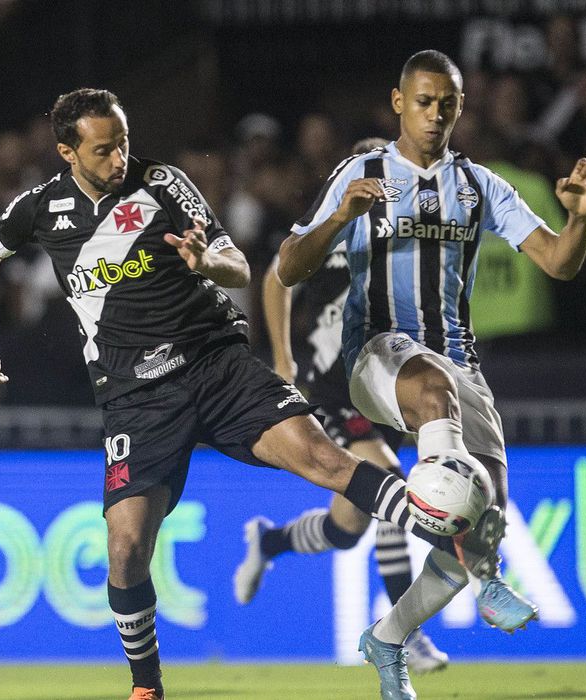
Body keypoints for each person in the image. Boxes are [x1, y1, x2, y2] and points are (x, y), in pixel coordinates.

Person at [0, 88, 510, 700]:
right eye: (103, 149)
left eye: (122, 141)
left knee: (326, 462)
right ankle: (147, 687)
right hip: (135, 397)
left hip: (216, 367)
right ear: (68, 153)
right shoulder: (41, 208)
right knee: (125, 547)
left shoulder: (162, 184)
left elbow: (239, 266)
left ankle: (464, 546)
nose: (120, 156)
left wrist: (204, 262)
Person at [277, 50, 586, 699]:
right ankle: (480, 570)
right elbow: (288, 266)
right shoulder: (363, 171)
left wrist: (582, 216)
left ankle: (389, 639)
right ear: (399, 103)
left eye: (446, 104)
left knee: (480, 518)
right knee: (433, 399)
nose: (434, 114)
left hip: (461, 366)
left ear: (459, 108)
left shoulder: (479, 185)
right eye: (423, 101)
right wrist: (340, 217)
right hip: (377, 354)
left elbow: (559, 263)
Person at [234, 137, 449, 675]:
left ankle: (271, 540)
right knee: (389, 477)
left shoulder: (403, 241)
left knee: (348, 526)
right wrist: (282, 358)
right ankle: (407, 635)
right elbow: (275, 280)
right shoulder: (330, 228)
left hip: (380, 388)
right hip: (328, 385)